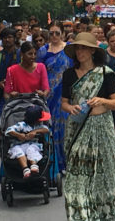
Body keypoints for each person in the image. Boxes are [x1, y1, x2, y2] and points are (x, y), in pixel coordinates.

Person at [61, 32, 115, 220]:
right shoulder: (69, 74)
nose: (80, 52)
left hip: (101, 128)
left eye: (84, 48)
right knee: (74, 181)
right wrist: (71, 108)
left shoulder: (106, 74)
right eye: (78, 48)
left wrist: (101, 100)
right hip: (77, 129)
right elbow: (64, 103)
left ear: (93, 51)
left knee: (101, 179)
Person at [37, 21, 73, 173]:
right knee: (50, 128)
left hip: (65, 93)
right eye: (51, 33)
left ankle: (66, 163)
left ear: (63, 34)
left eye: (57, 33)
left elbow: (75, 69)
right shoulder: (43, 51)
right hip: (48, 95)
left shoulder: (70, 49)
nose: (54, 36)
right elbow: (37, 71)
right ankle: (54, 164)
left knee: (65, 128)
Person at [5, 105, 50, 178]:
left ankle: (33, 166)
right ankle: (25, 169)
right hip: (19, 145)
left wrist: (35, 131)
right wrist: (18, 135)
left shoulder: (38, 126)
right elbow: (9, 130)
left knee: (31, 149)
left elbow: (46, 129)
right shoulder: (21, 125)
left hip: (32, 144)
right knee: (18, 151)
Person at [0, 28, 21, 125]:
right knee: (0, 117)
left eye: (9, 37)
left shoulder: (21, 54)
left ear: (14, 39)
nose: (7, 40)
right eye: (4, 38)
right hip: (2, 93)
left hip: (18, 91)